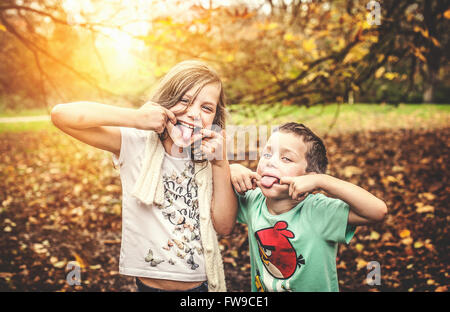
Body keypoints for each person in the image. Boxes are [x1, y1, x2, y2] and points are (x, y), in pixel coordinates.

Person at [51, 60, 237, 292]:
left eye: (207, 108)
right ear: (167, 100)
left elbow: (225, 226)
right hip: (149, 287)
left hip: (200, 287)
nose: (193, 114)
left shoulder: (209, 158)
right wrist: (134, 118)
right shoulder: (135, 142)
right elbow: (61, 115)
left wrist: (222, 164)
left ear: (214, 118)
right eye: (185, 100)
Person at [229, 122, 387, 292]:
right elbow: (215, 197)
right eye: (267, 154)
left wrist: (322, 181)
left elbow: (378, 211)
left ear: (308, 178)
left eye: (286, 158)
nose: (270, 162)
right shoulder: (254, 200)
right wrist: (232, 169)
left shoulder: (319, 211)